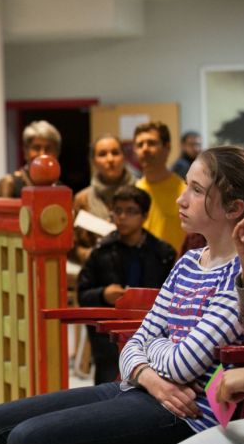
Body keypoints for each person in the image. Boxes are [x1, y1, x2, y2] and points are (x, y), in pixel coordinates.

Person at [0, 146, 244, 444]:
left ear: (234, 210)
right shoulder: (189, 262)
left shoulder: (240, 274)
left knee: (28, 442)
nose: (181, 198)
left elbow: (183, 363)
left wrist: (149, 354)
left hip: (182, 412)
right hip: (148, 391)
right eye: (186, 186)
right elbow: (139, 344)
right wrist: (151, 371)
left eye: (197, 190)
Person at [135, 166, 244, 444]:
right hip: (158, 388)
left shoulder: (230, 261)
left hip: (195, 403)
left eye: (196, 189)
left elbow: (181, 363)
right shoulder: (197, 259)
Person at [77, 186, 175, 384]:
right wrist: (103, 294)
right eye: (118, 211)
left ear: (144, 216)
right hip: (109, 340)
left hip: (152, 334)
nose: (122, 217)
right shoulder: (101, 251)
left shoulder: (163, 253)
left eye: (130, 211)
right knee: (107, 388)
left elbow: (173, 299)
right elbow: (82, 294)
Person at [71, 134, 136, 265]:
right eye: (102, 154)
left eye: (115, 153)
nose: (110, 159)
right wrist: (90, 255)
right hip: (96, 273)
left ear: (124, 157)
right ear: (93, 160)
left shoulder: (139, 192)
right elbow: (72, 244)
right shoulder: (82, 199)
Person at [134, 121, 187, 254]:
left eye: (151, 143)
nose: (145, 149)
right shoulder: (134, 193)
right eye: (140, 145)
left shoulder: (185, 193)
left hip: (177, 270)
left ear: (167, 147)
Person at [0, 120, 61, 198]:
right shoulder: (10, 184)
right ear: (25, 152)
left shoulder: (60, 188)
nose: (42, 154)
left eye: (48, 149)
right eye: (36, 148)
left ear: (57, 153)